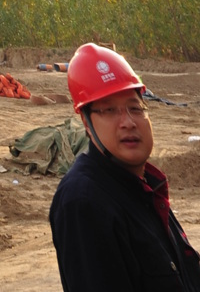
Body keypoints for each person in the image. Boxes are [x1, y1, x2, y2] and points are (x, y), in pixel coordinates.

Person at [49, 40, 200, 290]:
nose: (128, 122)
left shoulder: (143, 187)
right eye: (109, 110)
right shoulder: (84, 202)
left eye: (135, 108)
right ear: (86, 123)